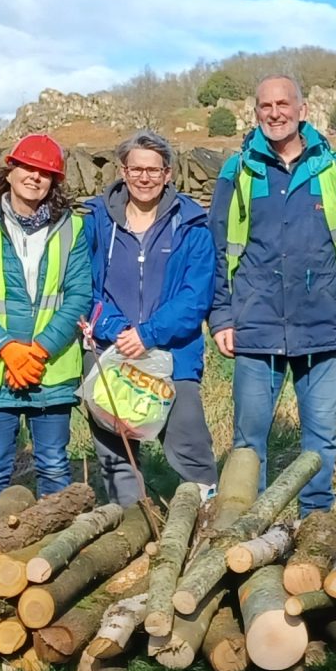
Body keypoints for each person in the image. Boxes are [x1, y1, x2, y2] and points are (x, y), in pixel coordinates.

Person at [210, 76, 336, 515]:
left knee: (320, 435)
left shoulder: (333, 170)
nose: (275, 113)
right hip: (254, 322)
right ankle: (250, 522)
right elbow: (219, 248)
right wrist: (221, 317)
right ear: (256, 112)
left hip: (320, 320)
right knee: (249, 439)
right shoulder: (238, 171)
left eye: (284, 104)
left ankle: (314, 522)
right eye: (266, 106)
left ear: (302, 110)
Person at [0, 134, 93, 515]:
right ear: (11, 171)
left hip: (50, 367)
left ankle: (52, 551)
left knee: (53, 464)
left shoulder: (73, 230)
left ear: (55, 181)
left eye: (46, 172)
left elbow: (79, 295)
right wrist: (9, 349)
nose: (35, 176)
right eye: (28, 167)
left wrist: (39, 350)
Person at [80, 130, 219, 504]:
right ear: (123, 172)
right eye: (136, 169)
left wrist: (148, 333)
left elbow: (196, 294)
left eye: (153, 170)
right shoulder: (96, 220)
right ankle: (131, 523)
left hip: (174, 352)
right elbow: (84, 286)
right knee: (116, 444)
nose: (145, 178)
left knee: (187, 439)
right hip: (112, 350)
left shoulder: (191, 224)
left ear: (168, 174)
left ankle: (206, 512)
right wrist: (117, 329)